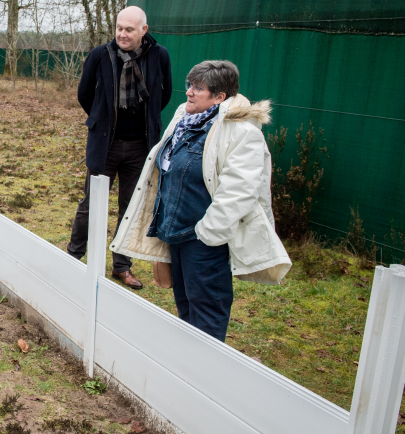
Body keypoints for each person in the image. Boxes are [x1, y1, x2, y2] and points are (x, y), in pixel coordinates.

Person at [109, 60, 291, 342]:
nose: (189, 92)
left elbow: (239, 191)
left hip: (204, 241)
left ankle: (205, 374)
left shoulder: (241, 132)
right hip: (177, 235)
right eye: (189, 85)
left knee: (207, 312)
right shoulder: (187, 118)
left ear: (220, 97)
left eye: (199, 88)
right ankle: (188, 368)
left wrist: (207, 233)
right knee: (186, 307)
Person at [68, 6, 172, 290]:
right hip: (106, 145)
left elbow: (165, 95)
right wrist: (101, 119)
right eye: (119, 28)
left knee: (130, 207)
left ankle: (122, 267)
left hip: (141, 147)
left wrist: (147, 123)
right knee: (91, 204)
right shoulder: (101, 55)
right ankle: (73, 256)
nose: (122, 35)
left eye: (129, 29)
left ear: (143, 31)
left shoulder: (159, 56)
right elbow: (84, 94)